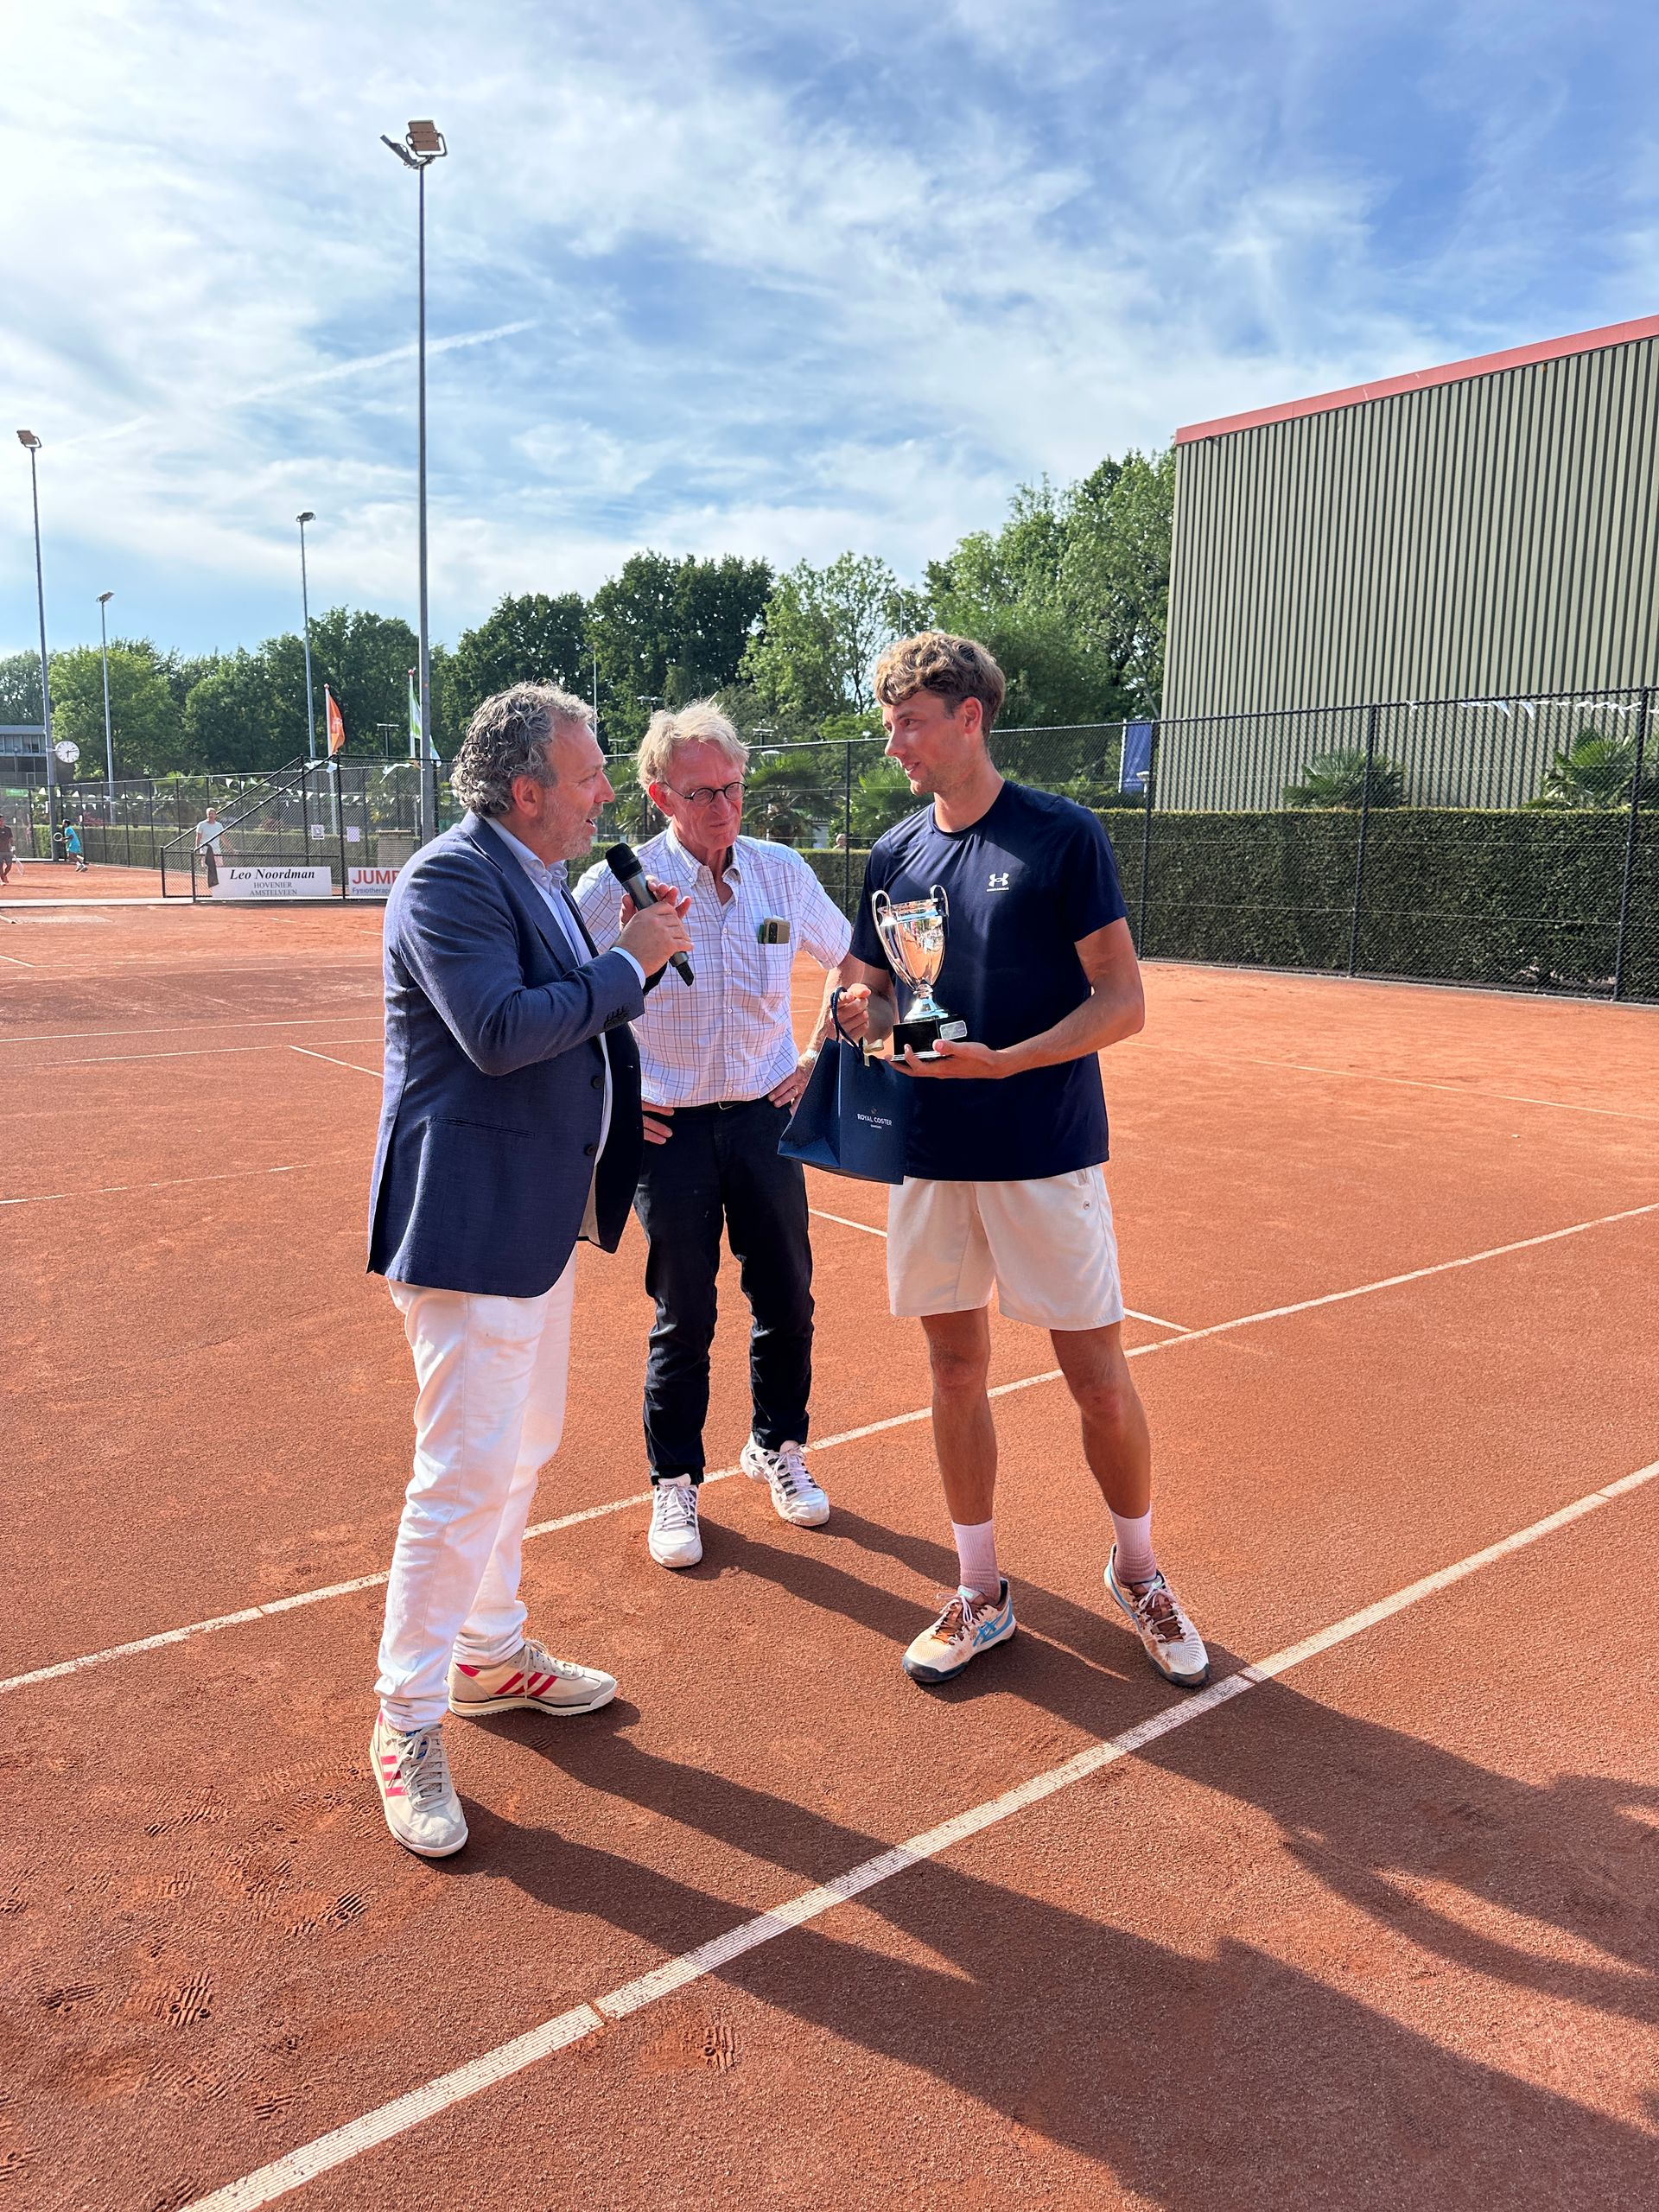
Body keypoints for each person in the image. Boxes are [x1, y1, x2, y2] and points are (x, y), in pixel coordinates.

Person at [836, 632, 1210, 1691]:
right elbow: (872, 995)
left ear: (971, 717)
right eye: (889, 724)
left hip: (1044, 1151)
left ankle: (1139, 1572)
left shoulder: (1061, 835)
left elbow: (1123, 1002)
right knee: (954, 1371)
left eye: (911, 722)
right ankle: (980, 1589)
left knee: (1097, 1381)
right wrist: (862, 1015)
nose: (895, 743)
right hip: (931, 1155)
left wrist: (1008, 1062)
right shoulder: (894, 853)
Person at [365, 683, 692, 1857]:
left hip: (532, 1213)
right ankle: (404, 1718)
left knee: (522, 1445)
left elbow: (557, 1033)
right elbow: (500, 1030)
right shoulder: (448, 880)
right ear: (526, 790)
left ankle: (489, 1654)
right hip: (469, 1224)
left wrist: (608, 1105)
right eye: (590, 774)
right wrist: (629, 963)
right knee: (461, 1472)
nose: (605, 794)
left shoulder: (536, 877)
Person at [575, 702, 857, 1569]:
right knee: (685, 1312)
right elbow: (563, 997)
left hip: (767, 1119)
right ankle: (674, 1480)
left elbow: (852, 961)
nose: (723, 807)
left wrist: (816, 1056)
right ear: (660, 794)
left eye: (733, 787)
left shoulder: (781, 873)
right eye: (701, 793)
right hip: (669, 1132)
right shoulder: (617, 888)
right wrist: (612, 1100)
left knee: (787, 1297)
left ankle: (778, 1446)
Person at [194, 805, 225, 889]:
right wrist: (197, 849)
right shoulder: (201, 825)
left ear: (215, 815)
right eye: (209, 814)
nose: (211, 815)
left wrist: (231, 849)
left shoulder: (219, 825)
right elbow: (198, 838)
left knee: (219, 867)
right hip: (206, 850)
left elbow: (223, 838)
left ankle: (218, 886)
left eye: (212, 814)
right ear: (207, 815)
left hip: (216, 851)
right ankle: (209, 886)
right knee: (208, 868)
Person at [0, 817, 14, 886]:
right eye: (0, 820)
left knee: (9, 865)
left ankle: (4, 875)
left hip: (7, 851)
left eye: (2, 820)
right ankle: (3, 879)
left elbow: (11, 839)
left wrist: (13, 847)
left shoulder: (8, 829)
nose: (1, 822)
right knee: (0, 866)